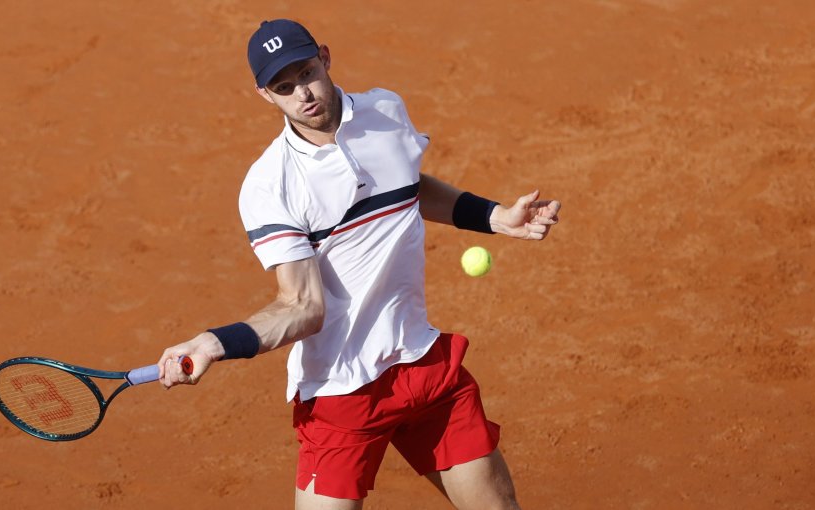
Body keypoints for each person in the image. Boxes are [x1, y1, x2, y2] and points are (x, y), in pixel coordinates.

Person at [156, 18, 561, 510]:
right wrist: (214, 342)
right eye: (284, 88)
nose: (302, 94)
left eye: (306, 73)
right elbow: (303, 307)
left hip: (422, 362)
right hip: (341, 391)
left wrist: (493, 217)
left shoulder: (385, 111)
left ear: (325, 57)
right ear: (266, 96)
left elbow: (407, 186)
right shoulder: (270, 185)